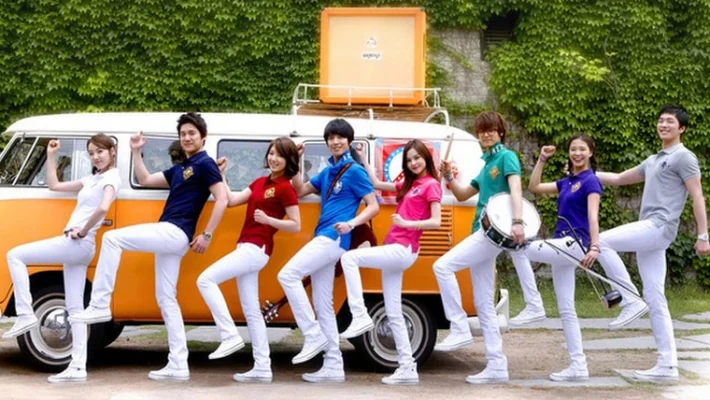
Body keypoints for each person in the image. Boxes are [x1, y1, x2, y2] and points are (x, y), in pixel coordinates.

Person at [70, 112, 228, 382]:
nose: (187, 138)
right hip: (171, 237)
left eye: (192, 133)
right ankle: (178, 363)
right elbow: (144, 179)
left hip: (175, 231)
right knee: (166, 298)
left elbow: (222, 199)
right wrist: (136, 151)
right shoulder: (180, 168)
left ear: (203, 137)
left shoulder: (206, 163)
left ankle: (99, 305)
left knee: (112, 239)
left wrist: (207, 235)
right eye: (183, 134)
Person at [596, 105, 709, 382]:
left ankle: (629, 299)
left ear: (682, 128)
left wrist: (703, 235)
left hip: (659, 226)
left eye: (670, 121)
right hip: (651, 232)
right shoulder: (653, 160)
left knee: (602, 241)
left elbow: (697, 196)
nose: (664, 125)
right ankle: (667, 366)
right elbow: (619, 179)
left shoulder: (684, 157)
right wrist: (585, 174)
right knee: (656, 297)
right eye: (661, 121)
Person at [4, 134, 120, 384]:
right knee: (75, 309)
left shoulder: (112, 177)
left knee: (15, 255)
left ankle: (25, 313)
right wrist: (51, 155)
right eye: (91, 153)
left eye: (100, 151)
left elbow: (103, 207)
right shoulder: (91, 179)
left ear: (112, 151)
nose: (95, 157)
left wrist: (84, 230)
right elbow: (54, 185)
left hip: (77, 242)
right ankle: (77, 367)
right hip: (79, 246)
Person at [432, 110, 536, 384]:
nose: (485, 135)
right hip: (480, 229)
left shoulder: (506, 157)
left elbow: (516, 190)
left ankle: (459, 327)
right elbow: (462, 195)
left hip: (493, 232)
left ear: (500, 132)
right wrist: (448, 177)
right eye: (481, 131)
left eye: (490, 130)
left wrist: (517, 222)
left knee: (442, 266)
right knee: (483, 304)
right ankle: (497, 366)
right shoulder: (485, 164)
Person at [277, 118, 379, 383]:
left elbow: (373, 205)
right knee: (323, 305)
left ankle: (312, 334)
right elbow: (300, 190)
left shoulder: (354, 171)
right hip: (325, 237)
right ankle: (333, 364)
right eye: (331, 138)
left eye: (340, 137)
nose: (335, 142)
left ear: (349, 141)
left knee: (287, 275)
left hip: (333, 238)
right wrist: (296, 162)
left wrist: (351, 223)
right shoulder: (328, 171)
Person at [196, 137, 301, 384]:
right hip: (245, 245)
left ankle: (229, 335)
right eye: (271, 153)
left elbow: (296, 225)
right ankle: (262, 367)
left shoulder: (285, 187)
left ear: (288, 160)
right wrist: (222, 176)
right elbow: (231, 201)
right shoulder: (259, 182)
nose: (274, 158)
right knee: (252, 311)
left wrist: (269, 221)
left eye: (280, 155)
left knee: (205, 279)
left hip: (258, 248)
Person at [339, 139, 442, 385]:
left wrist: (408, 224)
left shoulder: (431, 185)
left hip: (403, 249)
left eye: (417, 158)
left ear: (426, 159)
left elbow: (436, 221)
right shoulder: (408, 184)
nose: (414, 163)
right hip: (395, 249)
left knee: (349, 258)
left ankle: (360, 315)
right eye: (409, 160)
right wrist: (363, 157)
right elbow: (376, 183)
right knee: (393, 312)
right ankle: (407, 367)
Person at [525, 134, 601, 381]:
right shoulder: (567, 182)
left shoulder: (591, 181)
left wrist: (594, 247)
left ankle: (533, 304)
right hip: (562, 246)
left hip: (574, 244)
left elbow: (593, 216)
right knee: (567, 310)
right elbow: (534, 187)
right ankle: (579, 366)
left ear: (590, 152)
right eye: (573, 149)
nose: (577, 153)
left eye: (582, 149)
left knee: (521, 247)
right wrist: (542, 159)